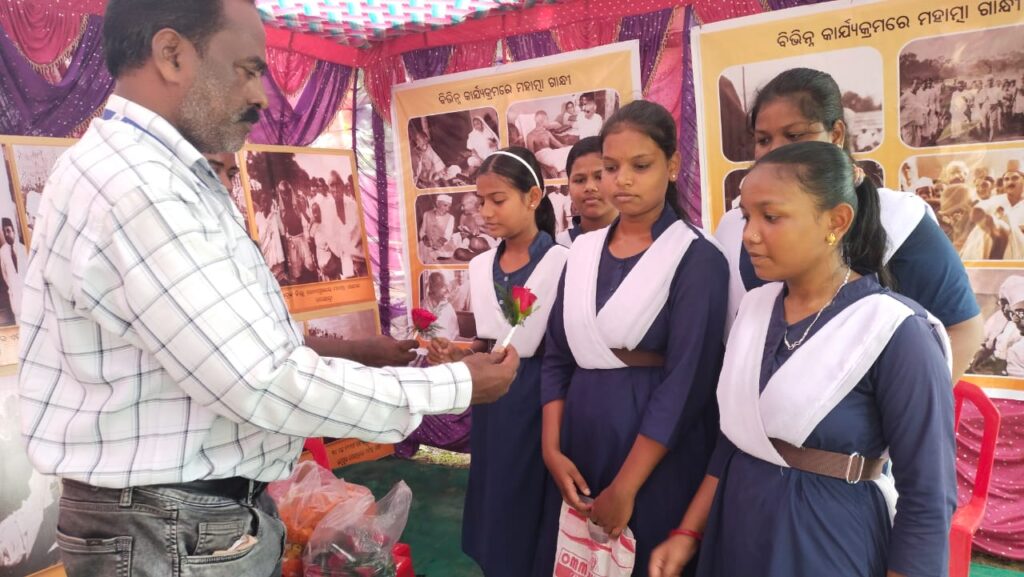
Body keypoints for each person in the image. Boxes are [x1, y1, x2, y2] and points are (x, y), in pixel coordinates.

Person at [17, 2, 519, 576]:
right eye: (248, 70)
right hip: (171, 526)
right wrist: (454, 385)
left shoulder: (152, 175)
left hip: (177, 519)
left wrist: (363, 353)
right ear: (172, 54)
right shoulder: (138, 186)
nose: (261, 96)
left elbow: (239, 351)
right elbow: (260, 381)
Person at [650, 141, 956, 577]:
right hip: (737, 529)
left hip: (827, 541)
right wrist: (688, 532)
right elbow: (735, 440)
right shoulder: (754, 310)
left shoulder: (895, 330)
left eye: (771, 217)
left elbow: (928, 496)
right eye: (747, 217)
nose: (749, 235)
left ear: (836, 221)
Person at [536, 100, 728, 576]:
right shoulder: (582, 252)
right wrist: (552, 449)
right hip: (579, 439)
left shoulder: (697, 257)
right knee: (579, 557)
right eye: (610, 167)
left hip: (654, 449)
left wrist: (626, 486)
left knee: (644, 556)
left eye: (640, 166)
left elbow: (686, 383)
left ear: (672, 165)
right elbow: (557, 356)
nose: (620, 180)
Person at [713, 67, 981, 380]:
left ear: (837, 135)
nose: (777, 151)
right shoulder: (734, 227)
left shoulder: (898, 220)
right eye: (763, 139)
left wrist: (913, 398)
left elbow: (963, 328)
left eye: (795, 135)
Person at [428, 147, 567, 577]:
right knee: (496, 491)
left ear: (533, 197)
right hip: (492, 399)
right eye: (481, 201)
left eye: (498, 200)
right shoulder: (480, 265)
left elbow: (562, 347)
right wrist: (460, 353)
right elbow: (489, 340)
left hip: (541, 397)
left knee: (531, 496)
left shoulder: (563, 263)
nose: (485, 212)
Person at [556, 136, 617, 247]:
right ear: (569, 186)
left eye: (600, 177)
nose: (590, 187)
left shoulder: (645, 245)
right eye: (579, 180)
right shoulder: (557, 248)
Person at [0, 218, 26, 323]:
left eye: (8, 230)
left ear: (13, 231)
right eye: (4, 231)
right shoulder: (2, 252)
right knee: (19, 321)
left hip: (25, 291)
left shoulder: (22, 248)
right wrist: (12, 286)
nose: (7, 234)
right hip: (14, 293)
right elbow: (4, 274)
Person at [423, 271, 460, 340]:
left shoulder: (448, 308)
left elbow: (455, 335)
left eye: (446, 287)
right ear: (433, 288)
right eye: (443, 287)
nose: (447, 290)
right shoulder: (422, 307)